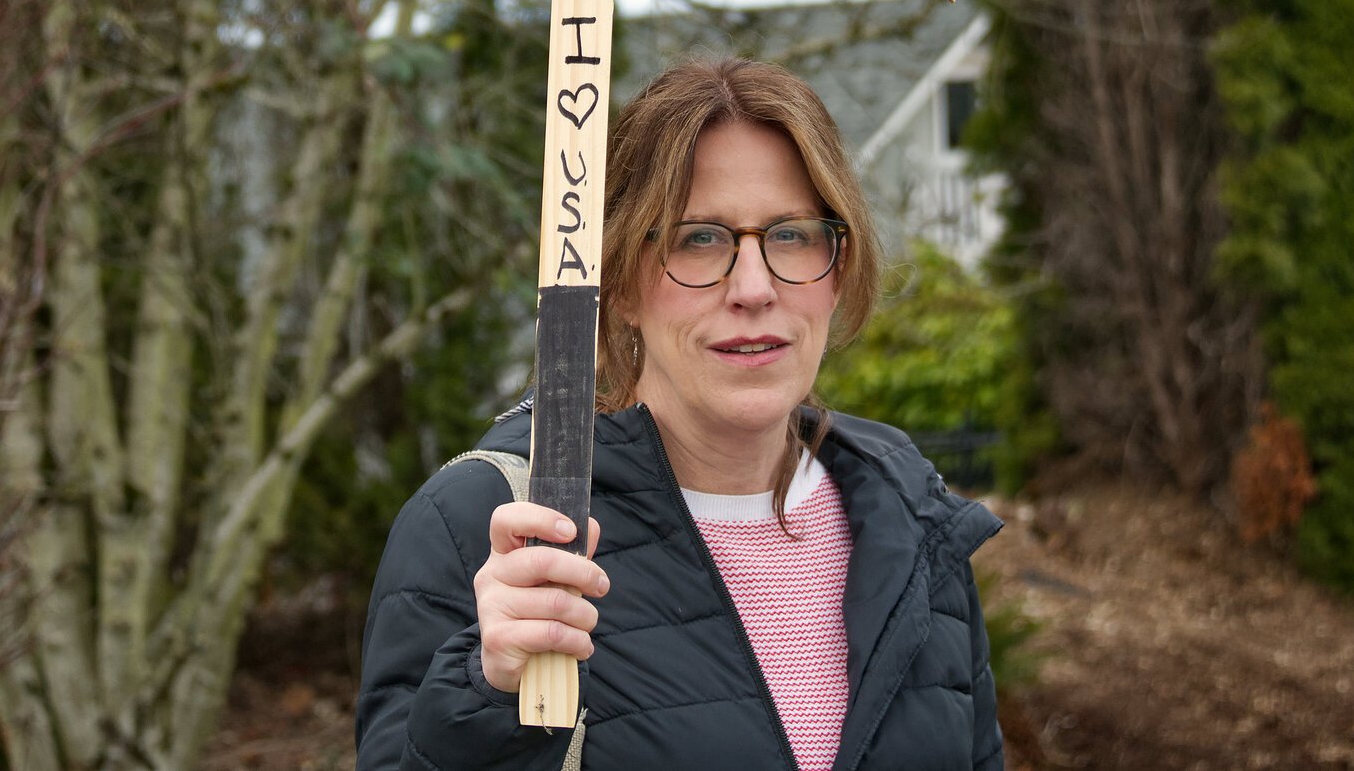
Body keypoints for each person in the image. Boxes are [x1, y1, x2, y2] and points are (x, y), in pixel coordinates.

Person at [356, 58, 1004, 771]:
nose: (753, 288)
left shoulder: (910, 518)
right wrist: (484, 695)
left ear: (838, 267)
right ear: (622, 283)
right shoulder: (489, 527)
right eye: (698, 239)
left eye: (791, 235)